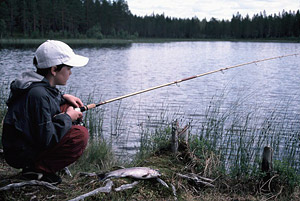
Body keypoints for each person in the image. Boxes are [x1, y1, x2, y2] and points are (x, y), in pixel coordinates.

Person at [2, 40, 89, 184]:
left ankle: (41, 164)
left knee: (68, 104)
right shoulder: (38, 94)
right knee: (80, 135)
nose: (70, 72)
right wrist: (68, 117)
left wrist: (63, 98)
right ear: (54, 70)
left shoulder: (36, 84)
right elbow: (46, 138)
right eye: (68, 68)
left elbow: (47, 101)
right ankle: (37, 169)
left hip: (24, 142)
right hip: (20, 153)